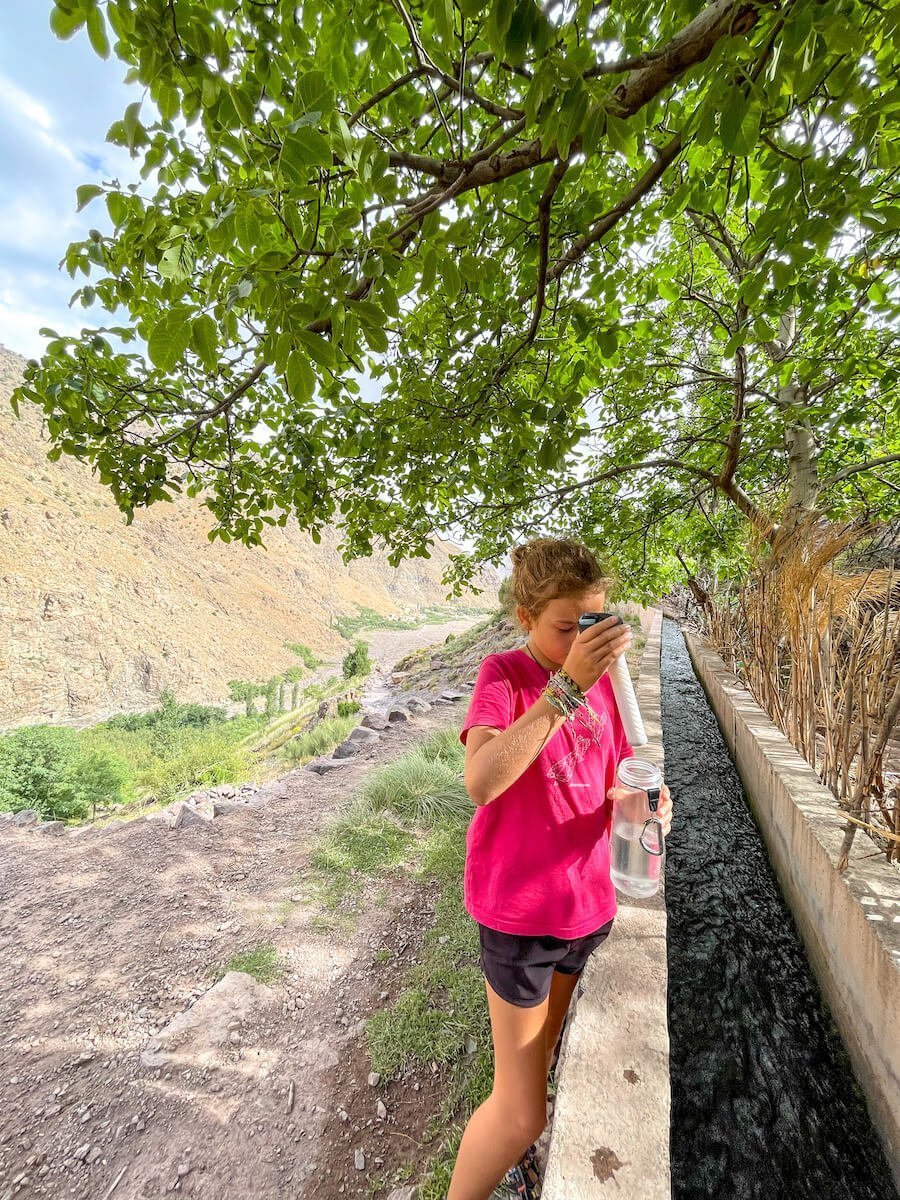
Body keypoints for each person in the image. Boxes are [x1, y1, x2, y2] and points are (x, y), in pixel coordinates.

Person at [446, 537, 673, 1200]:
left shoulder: (608, 687)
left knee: (540, 1056)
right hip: (521, 919)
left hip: (587, 911)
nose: (584, 641)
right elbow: (483, 781)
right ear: (525, 618)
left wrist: (647, 806)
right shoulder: (506, 677)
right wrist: (566, 687)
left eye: (595, 623)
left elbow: (611, 789)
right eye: (567, 627)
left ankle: (514, 1154)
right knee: (521, 1113)